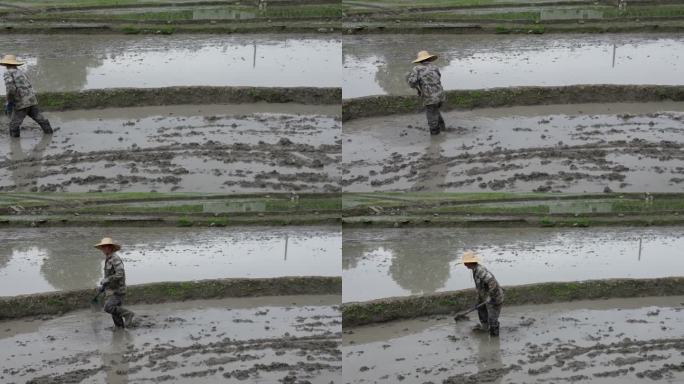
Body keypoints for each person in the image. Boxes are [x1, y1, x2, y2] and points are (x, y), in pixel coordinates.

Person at [0, 54, 53, 138]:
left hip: (21, 102)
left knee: (14, 124)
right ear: (15, 64)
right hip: (31, 99)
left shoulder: (8, 73)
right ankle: (49, 133)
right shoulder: (21, 72)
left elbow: (11, 89)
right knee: (40, 118)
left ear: (6, 64)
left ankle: (15, 143)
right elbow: (28, 85)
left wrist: (9, 102)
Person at [457, 251, 503, 336]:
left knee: (493, 319)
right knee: (481, 310)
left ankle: (494, 339)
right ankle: (485, 328)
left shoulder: (480, 270)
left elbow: (492, 282)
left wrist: (490, 296)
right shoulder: (474, 270)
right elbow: (480, 286)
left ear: (470, 262)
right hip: (484, 296)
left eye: (466, 263)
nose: (464, 265)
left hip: (494, 298)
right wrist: (479, 299)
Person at [95, 237, 135, 329]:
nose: (104, 249)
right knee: (114, 311)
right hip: (110, 289)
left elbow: (120, 274)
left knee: (108, 307)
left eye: (106, 247)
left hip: (117, 290)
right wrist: (104, 286)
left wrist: (107, 280)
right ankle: (119, 328)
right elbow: (109, 275)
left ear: (111, 247)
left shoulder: (115, 259)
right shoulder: (108, 259)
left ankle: (128, 314)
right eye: (103, 247)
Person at [406, 50, 446, 135]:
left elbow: (412, 83)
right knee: (435, 110)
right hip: (440, 95)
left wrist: (409, 79)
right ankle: (442, 127)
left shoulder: (417, 69)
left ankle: (435, 133)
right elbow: (438, 78)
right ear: (429, 59)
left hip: (429, 97)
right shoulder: (435, 67)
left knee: (431, 114)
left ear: (420, 60)